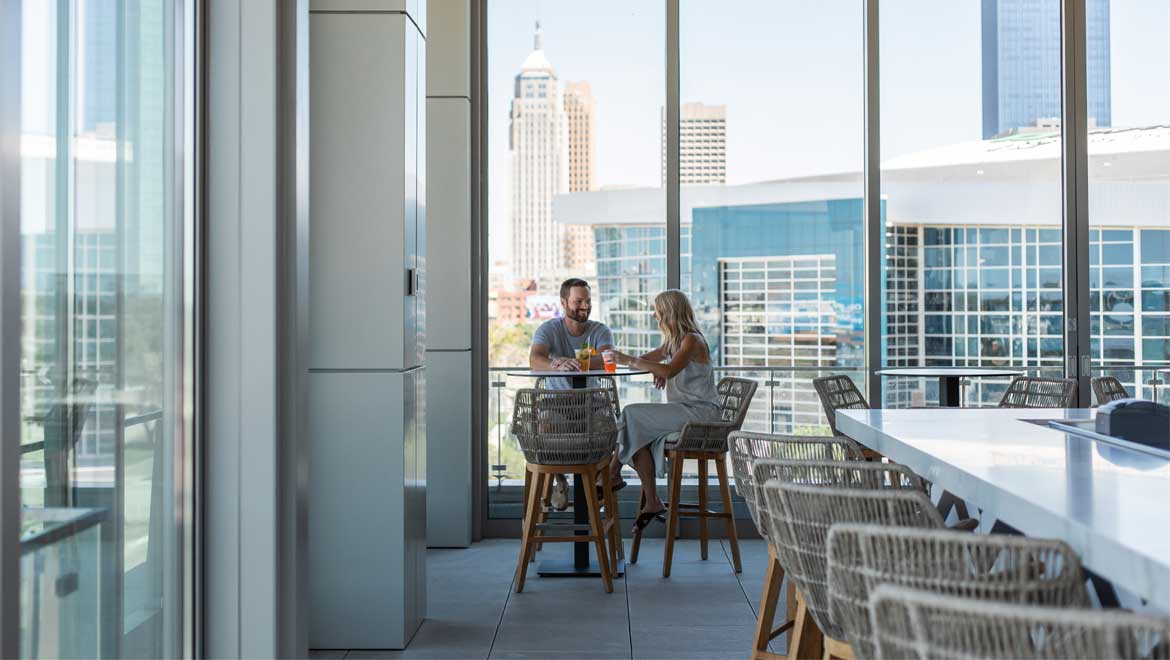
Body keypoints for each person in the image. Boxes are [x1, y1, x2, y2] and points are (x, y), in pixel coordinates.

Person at [607, 290, 720, 533]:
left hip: (701, 414)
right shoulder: (673, 342)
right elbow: (652, 361)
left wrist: (655, 368)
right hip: (684, 412)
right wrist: (654, 367)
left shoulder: (692, 339)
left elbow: (669, 371)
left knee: (630, 414)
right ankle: (652, 501)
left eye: (657, 310)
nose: (654, 315)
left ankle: (612, 473)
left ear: (669, 312)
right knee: (637, 435)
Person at [528, 278, 616, 509]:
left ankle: (597, 484)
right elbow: (536, 359)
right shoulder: (548, 329)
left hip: (592, 403)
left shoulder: (600, 330)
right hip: (557, 404)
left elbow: (608, 359)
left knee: (616, 431)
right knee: (544, 427)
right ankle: (560, 481)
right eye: (578, 301)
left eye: (588, 301)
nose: (584, 306)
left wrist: (576, 362)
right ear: (564, 303)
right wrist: (557, 363)